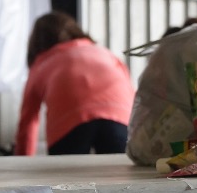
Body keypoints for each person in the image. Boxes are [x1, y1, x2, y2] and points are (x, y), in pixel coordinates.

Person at [15, 11, 135, 155]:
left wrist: (22, 161)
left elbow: (28, 121)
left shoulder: (42, 64)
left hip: (69, 124)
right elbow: (133, 95)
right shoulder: (106, 54)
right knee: (120, 173)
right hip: (119, 116)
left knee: (66, 176)